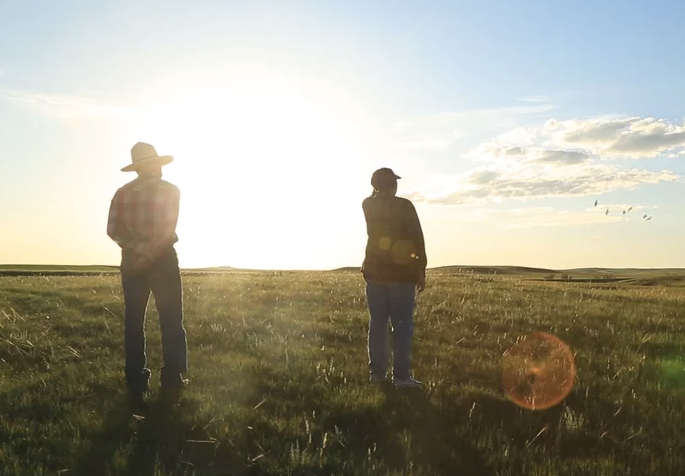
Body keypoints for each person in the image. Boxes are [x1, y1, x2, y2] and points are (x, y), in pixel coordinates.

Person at [107, 142, 188, 402]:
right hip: (163, 259)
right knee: (171, 320)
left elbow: (113, 230)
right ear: (153, 165)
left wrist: (138, 249)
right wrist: (152, 251)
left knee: (134, 321)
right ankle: (173, 379)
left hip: (132, 261)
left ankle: (135, 379)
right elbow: (168, 226)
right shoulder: (170, 190)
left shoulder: (122, 193)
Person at [361, 167, 427, 388]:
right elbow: (416, 237)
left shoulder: (368, 204)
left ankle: (377, 375)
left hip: (375, 272)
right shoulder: (404, 206)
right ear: (391, 184)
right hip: (402, 273)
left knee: (377, 324)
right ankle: (401, 377)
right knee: (402, 325)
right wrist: (421, 268)